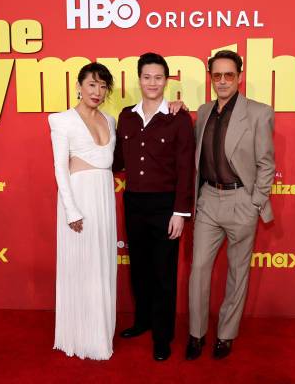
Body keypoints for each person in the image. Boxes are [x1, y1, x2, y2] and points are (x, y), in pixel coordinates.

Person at [186, 50, 275, 360]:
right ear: (211, 78)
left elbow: (266, 163)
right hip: (209, 199)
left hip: (241, 200)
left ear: (239, 77)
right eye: (217, 75)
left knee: (237, 272)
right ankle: (196, 334)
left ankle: (225, 335)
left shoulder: (259, 113)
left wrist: (255, 202)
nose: (222, 81)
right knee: (199, 269)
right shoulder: (203, 111)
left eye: (229, 75)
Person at [113, 52, 195, 361]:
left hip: (165, 206)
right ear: (139, 79)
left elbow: (186, 169)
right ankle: (143, 321)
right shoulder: (126, 116)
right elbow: (116, 160)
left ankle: (163, 336)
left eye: (158, 77)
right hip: (134, 202)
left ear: (166, 81)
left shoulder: (178, 118)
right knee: (139, 269)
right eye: (147, 77)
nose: (152, 83)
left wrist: (179, 212)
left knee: (163, 273)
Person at [48, 62, 117, 360]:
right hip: (79, 199)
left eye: (102, 86)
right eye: (92, 84)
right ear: (78, 86)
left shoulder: (110, 120)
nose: (97, 91)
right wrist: (71, 209)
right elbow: (60, 167)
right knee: (81, 266)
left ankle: (100, 335)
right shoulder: (61, 120)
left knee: (101, 265)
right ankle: (79, 336)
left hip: (104, 197)